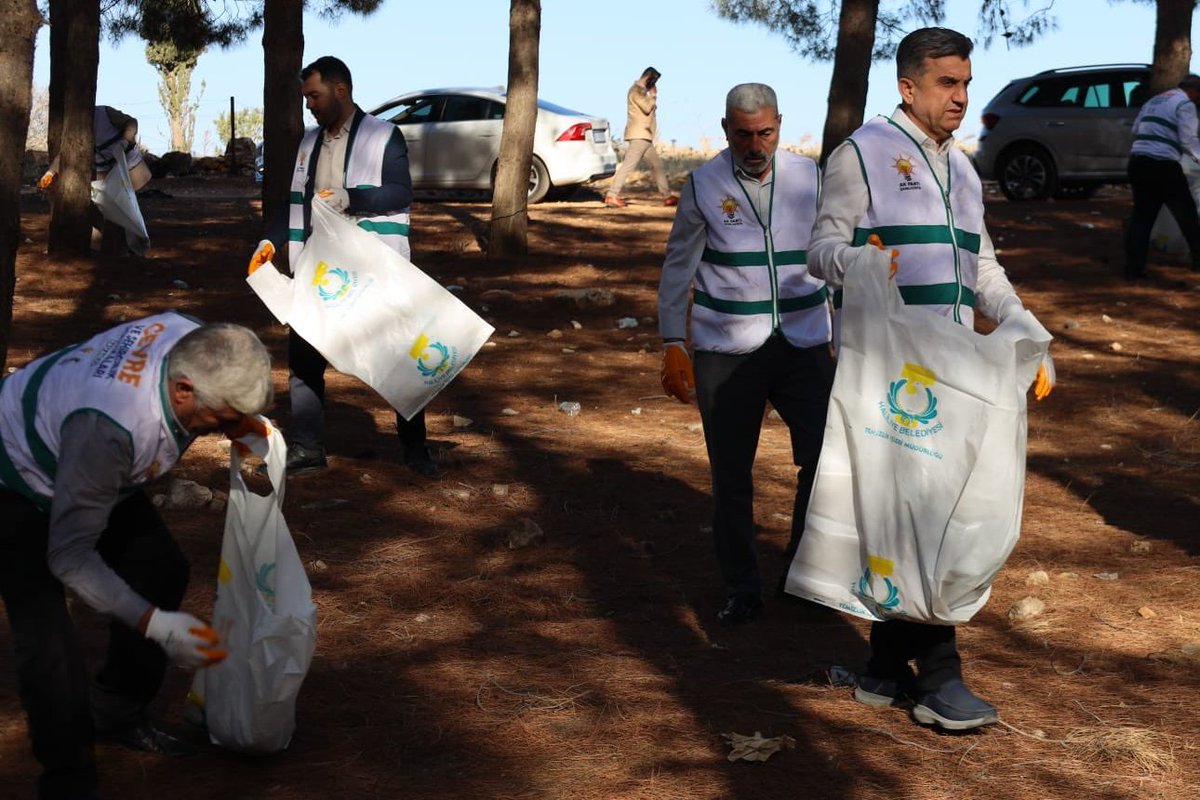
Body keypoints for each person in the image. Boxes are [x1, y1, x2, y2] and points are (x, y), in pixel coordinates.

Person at [808, 26, 1055, 731]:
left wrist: (1026, 331)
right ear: (908, 87)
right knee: (922, 519)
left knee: (921, 511)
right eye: (948, 84)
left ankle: (884, 671)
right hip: (888, 372)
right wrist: (859, 263)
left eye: (967, 83)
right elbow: (821, 248)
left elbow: (982, 269)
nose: (962, 97)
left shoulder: (964, 170)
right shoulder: (864, 154)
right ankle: (942, 678)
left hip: (951, 369)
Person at [0, 314, 274, 800]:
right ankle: (68, 782)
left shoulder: (193, 340)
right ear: (184, 391)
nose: (228, 431)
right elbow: (69, 557)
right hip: (16, 477)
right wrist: (157, 626)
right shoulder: (109, 428)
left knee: (159, 568)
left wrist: (244, 422)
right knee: (48, 646)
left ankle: (117, 712)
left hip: (92, 463)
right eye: (225, 419)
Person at [658, 83, 834, 626]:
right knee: (731, 473)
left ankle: (802, 573)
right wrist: (672, 341)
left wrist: (848, 326)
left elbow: (834, 252)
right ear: (725, 128)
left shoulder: (808, 176)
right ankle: (742, 587)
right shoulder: (704, 183)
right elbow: (678, 266)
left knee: (824, 461)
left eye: (766, 132)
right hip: (727, 349)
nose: (755, 145)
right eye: (743, 133)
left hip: (804, 341)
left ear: (780, 124)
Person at [248, 55, 438, 478]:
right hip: (317, 268)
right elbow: (294, 203)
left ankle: (415, 448)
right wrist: (269, 241)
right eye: (305, 98)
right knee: (304, 358)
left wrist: (351, 198)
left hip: (370, 268)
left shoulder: (384, 136)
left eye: (314, 96)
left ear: (341, 91)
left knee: (399, 358)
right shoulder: (308, 143)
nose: (308, 105)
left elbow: (399, 193)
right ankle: (307, 448)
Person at [1123, 74, 1200, 281]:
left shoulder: (1153, 101)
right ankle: (1198, 260)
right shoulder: (1185, 104)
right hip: (1163, 165)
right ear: (1194, 91)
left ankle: (1134, 269)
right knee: (1187, 214)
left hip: (1138, 163)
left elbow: (1135, 130)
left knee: (1142, 217)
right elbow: (1189, 140)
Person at [605, 67, 678, 208]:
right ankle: (612, 195)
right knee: (628, 165)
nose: (655, 84)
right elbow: (646, 107)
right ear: (648, 77)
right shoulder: (636, 91)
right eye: (654, 80)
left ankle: (667, 196)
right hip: (639, 135)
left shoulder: (641, 91)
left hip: (645, 136)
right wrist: (653, 96)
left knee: (657, 165)